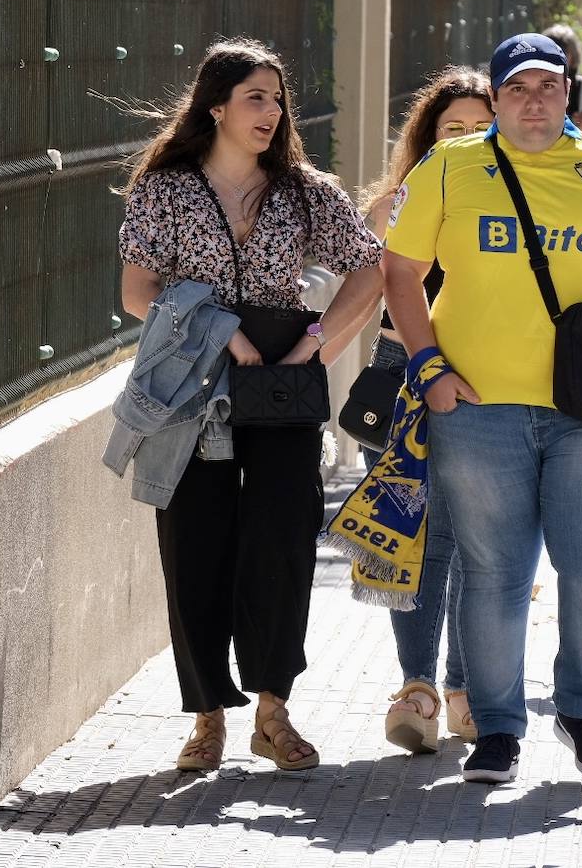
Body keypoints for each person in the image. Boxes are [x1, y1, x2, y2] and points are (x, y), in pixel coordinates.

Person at [382, 33, 582, 784]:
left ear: (568, 93)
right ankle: (499, 727)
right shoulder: (451, 165)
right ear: (496, 97)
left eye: (548, 86)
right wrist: (429, 368)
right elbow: (400, 272)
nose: (533, 100)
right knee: (493, 573)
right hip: (477, 408)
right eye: (517, 88)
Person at [118, 38, 384, 773]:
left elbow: (370, 270)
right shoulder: (165, 189)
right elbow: (137, 293)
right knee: (194, 541)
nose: (271, 112)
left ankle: (273, 711)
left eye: (277, 98)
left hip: (282, 379)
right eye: (255, 98)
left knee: (283, 539)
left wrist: (317, 346)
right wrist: (218, 328)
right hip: (191, 379)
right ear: (216, 107)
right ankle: (207, 716)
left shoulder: (306, 191)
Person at [355, 66, 495, 753]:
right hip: (401, 376)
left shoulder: (519, 201)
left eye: (480, 128)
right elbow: (373, 289)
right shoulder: (394, 205)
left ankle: (464, 688)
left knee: (476, 541)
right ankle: (418, 688)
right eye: (452, 129)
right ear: (427, 136)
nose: (466, 139)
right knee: (408, 533)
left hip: (489, 380)